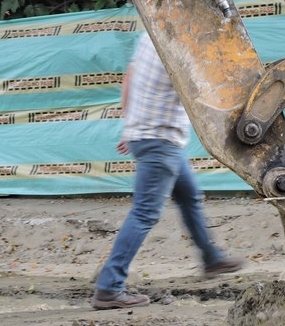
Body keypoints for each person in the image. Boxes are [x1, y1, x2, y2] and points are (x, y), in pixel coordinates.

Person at [92, 33, 243, 309]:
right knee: (144, 213)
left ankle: (211, 258)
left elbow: (131, 75)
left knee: (189, 195)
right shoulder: (181, 46)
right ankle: (109, 287)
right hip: (161, 140)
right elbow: (201, 96)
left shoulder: (150, 34)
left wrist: (131, 126)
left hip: (149, 136)